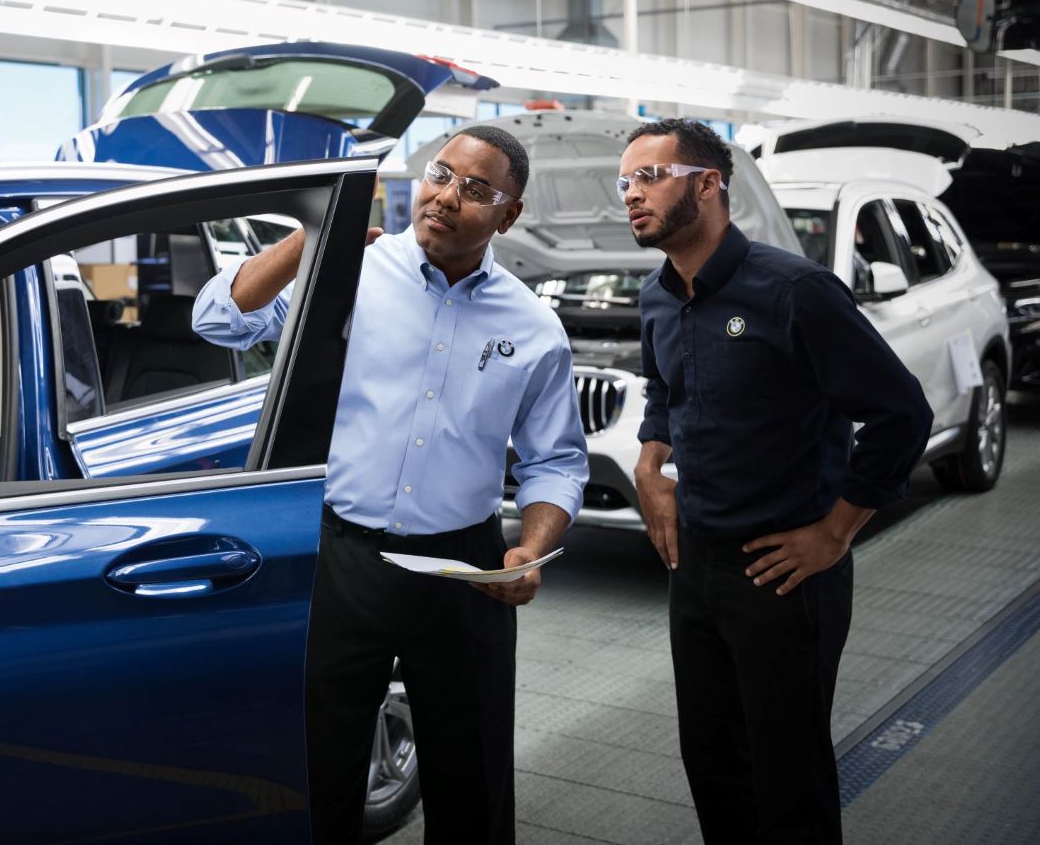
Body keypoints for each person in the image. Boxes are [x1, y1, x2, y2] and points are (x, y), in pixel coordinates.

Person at [192, 125, 588, 845]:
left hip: (465, 570)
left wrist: (529, 548)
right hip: (344, 556)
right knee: (322, 767)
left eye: (475, 189)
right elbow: (220, 319)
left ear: (509, 213)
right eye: (440, 174)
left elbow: (555, 461)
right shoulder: (348, 272)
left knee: (472, 778)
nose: (446, 196)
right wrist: (316, 241)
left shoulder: (532, 328)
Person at [620, 118, 931, 845]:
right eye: (625, 181)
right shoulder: (657, 295)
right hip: (695, 565)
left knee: (786, 774)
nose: (632, 195)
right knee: (712, 758)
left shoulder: (795, 292)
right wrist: (649, 459)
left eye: (650, 177)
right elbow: (663, 389)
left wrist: (835, 532)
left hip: (785, 571)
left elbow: (900, 413)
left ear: (707, 185)